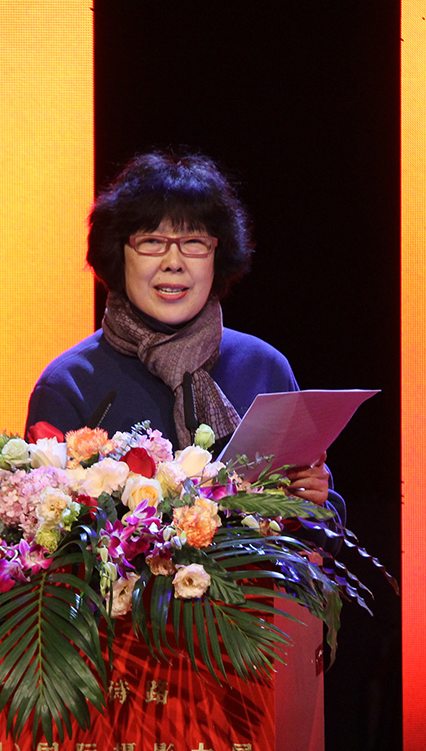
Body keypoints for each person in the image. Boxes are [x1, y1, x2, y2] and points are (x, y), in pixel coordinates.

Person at [25, 152, 337, 514]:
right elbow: (40, 531)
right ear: (118, 254)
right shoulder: (70, 385)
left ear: (217, 255)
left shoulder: (264, 369)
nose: (173, 262)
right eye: (151, 242)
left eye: (194, 242)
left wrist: (316, 500)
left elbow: (319, 527)